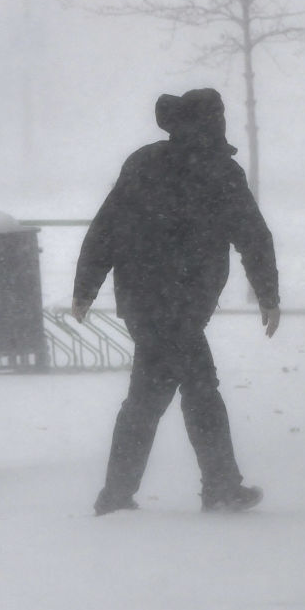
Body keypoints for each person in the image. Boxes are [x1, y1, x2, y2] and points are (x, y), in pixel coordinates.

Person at [72, 88, 280, 516]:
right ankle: (218, 487)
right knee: (196, 390)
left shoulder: (145, 164)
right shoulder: (221, 172)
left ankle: (118, 494)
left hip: (144, 299)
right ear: (209, 122)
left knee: (153, 395)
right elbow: (253, 236)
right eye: (218, 116)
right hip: (181, 305)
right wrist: (268, 294)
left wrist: (86, 287)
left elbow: (105, 228)